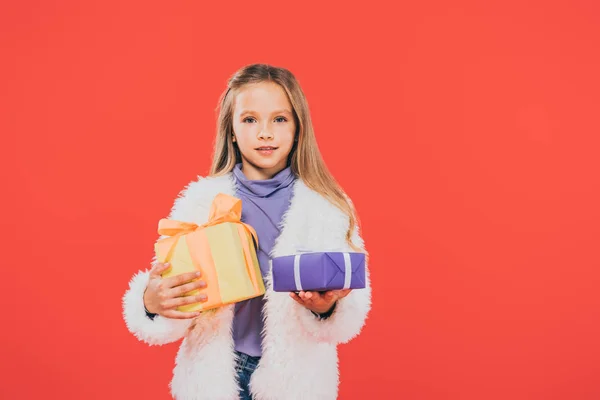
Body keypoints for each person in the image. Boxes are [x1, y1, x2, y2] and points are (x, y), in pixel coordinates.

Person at [122, 63, 371, 400]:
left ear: (298, 129)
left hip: (294, 377)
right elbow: (173, 288)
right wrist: (151, 302)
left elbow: (351, 308)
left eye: (279, 119)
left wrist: (325, 308)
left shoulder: (327, 206)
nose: (265, 133)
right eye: (250, 119)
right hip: (214, 374)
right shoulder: (200, 200)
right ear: (232, 130)